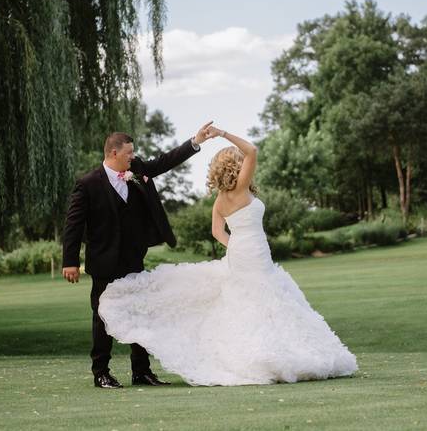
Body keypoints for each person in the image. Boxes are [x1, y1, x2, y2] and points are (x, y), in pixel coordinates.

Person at [97, 125, 358, 386]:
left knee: (251, 298)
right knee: (266, 297)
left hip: (241, 251)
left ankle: (260, 350)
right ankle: (271, 352)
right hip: (254, 251)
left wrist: (233, 244)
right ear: (236, 166)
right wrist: (223, 135)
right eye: (240, 160)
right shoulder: (242, 188)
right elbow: (252, 150)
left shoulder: (221, 200)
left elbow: (216, 231)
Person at [62, 121, 217, 389]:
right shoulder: (87, 184)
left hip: (134, 258)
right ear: (113, 153)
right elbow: (73, 225)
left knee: (139, 314)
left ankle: (141, 372)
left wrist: (196, 141)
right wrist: (70, 262)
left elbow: (165, 161)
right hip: (104, 262)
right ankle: (101, 373)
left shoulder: (137, 170)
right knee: (102, 317)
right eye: (129, 153)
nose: (133, 157)